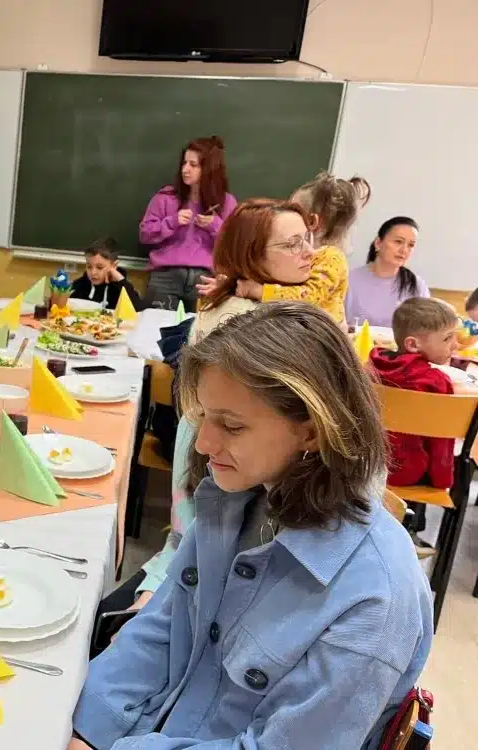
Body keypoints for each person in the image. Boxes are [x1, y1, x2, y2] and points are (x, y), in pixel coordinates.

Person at [70, 302, 433, 750]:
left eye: (232, 426)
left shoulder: (375, 602)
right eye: (203, 417)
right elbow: (162, 628)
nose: (203, 443)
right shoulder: (239, 496)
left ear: (313, 431)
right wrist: (89, 729)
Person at [103, 200, 317, 620]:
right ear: (252, 256)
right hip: (218, 488)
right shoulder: (252, 328)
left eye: (308, 240)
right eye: (292, 244)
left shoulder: (251, 306)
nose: (309, 252)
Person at [198, 173, 370, 326]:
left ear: (313, 221)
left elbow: (308, 297)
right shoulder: (298, 262)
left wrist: (258, 291)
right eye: (291, 244)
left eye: (293, 208)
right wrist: (229, 287)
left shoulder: (331, 257)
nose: (285, 211)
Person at [370, 298, 459, 544]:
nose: (455, 345)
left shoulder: (372, 367)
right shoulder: (436, 383)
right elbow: (441, 443)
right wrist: (442, 482)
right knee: (423, 461)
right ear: (412, 344)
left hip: (366, 463)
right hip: (403, 472)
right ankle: (409, 532)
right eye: (447, 338)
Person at [138, 136, 237, 312]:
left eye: (193, 165)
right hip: (166, 276)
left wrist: (215, 225)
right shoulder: (165, 198)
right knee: (157, 325)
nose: (185, 169)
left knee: (200, 328)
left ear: (208, 169)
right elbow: (145, 235)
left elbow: (235, 246)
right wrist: (172, 222)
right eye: (184, 163)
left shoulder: (227, 203)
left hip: (206, 279)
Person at [346, 217, 430, 328]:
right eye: (398, 242)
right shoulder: (349, 280)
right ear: (378, 243)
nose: (404, 250)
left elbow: (426, 328)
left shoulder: (417, 286)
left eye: (411, 245)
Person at [70, 237, 142, 311]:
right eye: (89, 266)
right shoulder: (81, 284)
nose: (93, 272)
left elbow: (138, 310)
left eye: (99, 267)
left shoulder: (120, 287)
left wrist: (120, 280)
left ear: (114, 266)